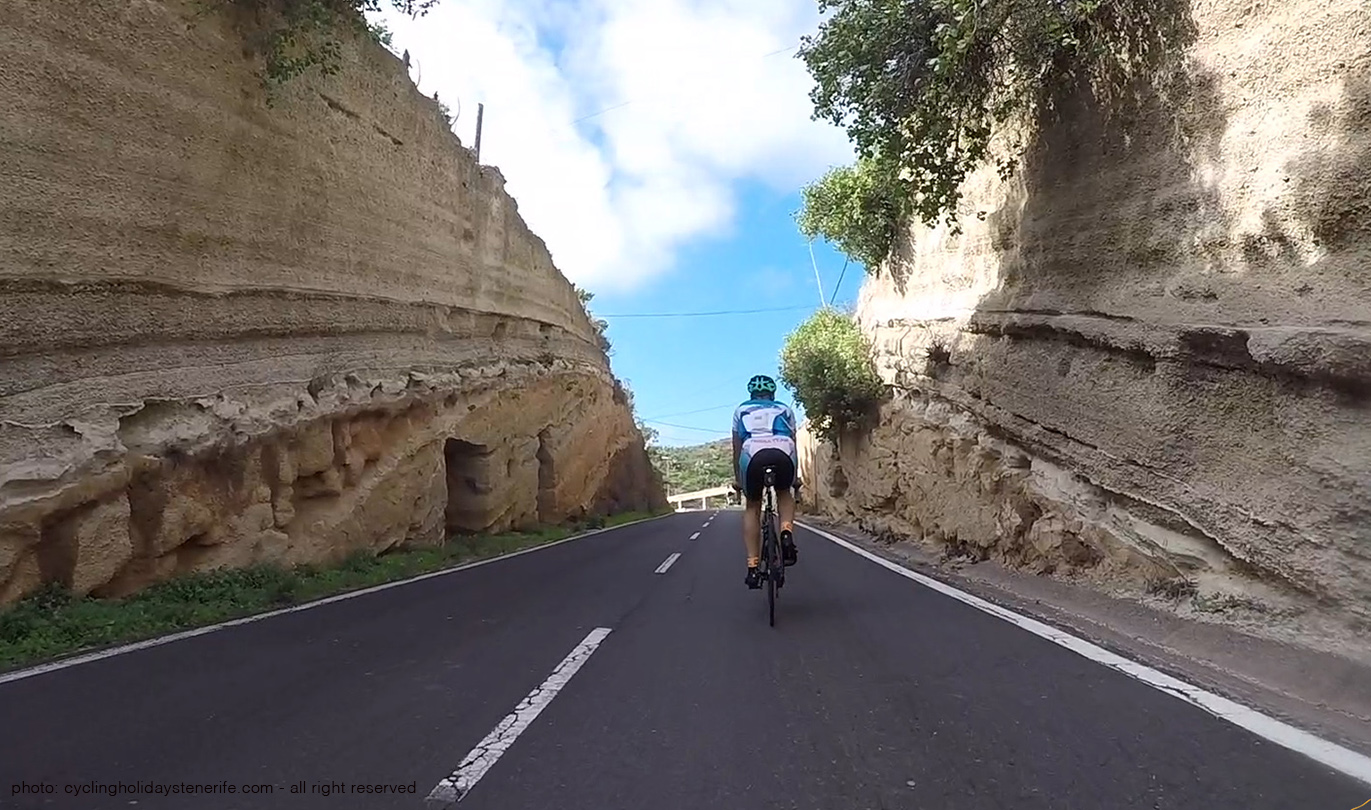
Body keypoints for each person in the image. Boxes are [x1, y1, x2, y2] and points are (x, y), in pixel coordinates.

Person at [732, 374, 799, 589]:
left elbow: (736, 448)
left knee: (753, 505)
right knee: (784, 493)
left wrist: (738, 479)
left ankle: (752, 567)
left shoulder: (741, 410)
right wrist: (795, 478)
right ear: (773, 393)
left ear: (751, 394)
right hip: (783, 451)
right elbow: (793, 442)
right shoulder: (785, 409)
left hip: (752, 454)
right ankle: (786, 532)